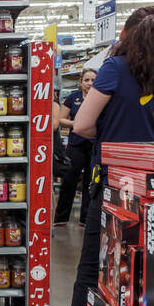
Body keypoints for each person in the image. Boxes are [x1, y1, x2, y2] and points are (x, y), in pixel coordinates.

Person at [26, 6, 154, 306]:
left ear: (127, 35)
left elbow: (81, 124)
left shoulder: (114, 69)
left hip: (114, 186)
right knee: (149, 273)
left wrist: (112, 134)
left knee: (92, 273)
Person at [54, 68, 97, 225]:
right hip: (75, 145)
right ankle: (61, 218)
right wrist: (76, 124)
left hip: (93, 145)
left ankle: (86, 219)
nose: (90, 83)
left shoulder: (100, 98)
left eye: (93, 80)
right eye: (87, 80)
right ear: (81, 82)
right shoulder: (73, 98)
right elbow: (60, 119)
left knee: (90, 183)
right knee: (69, 181)